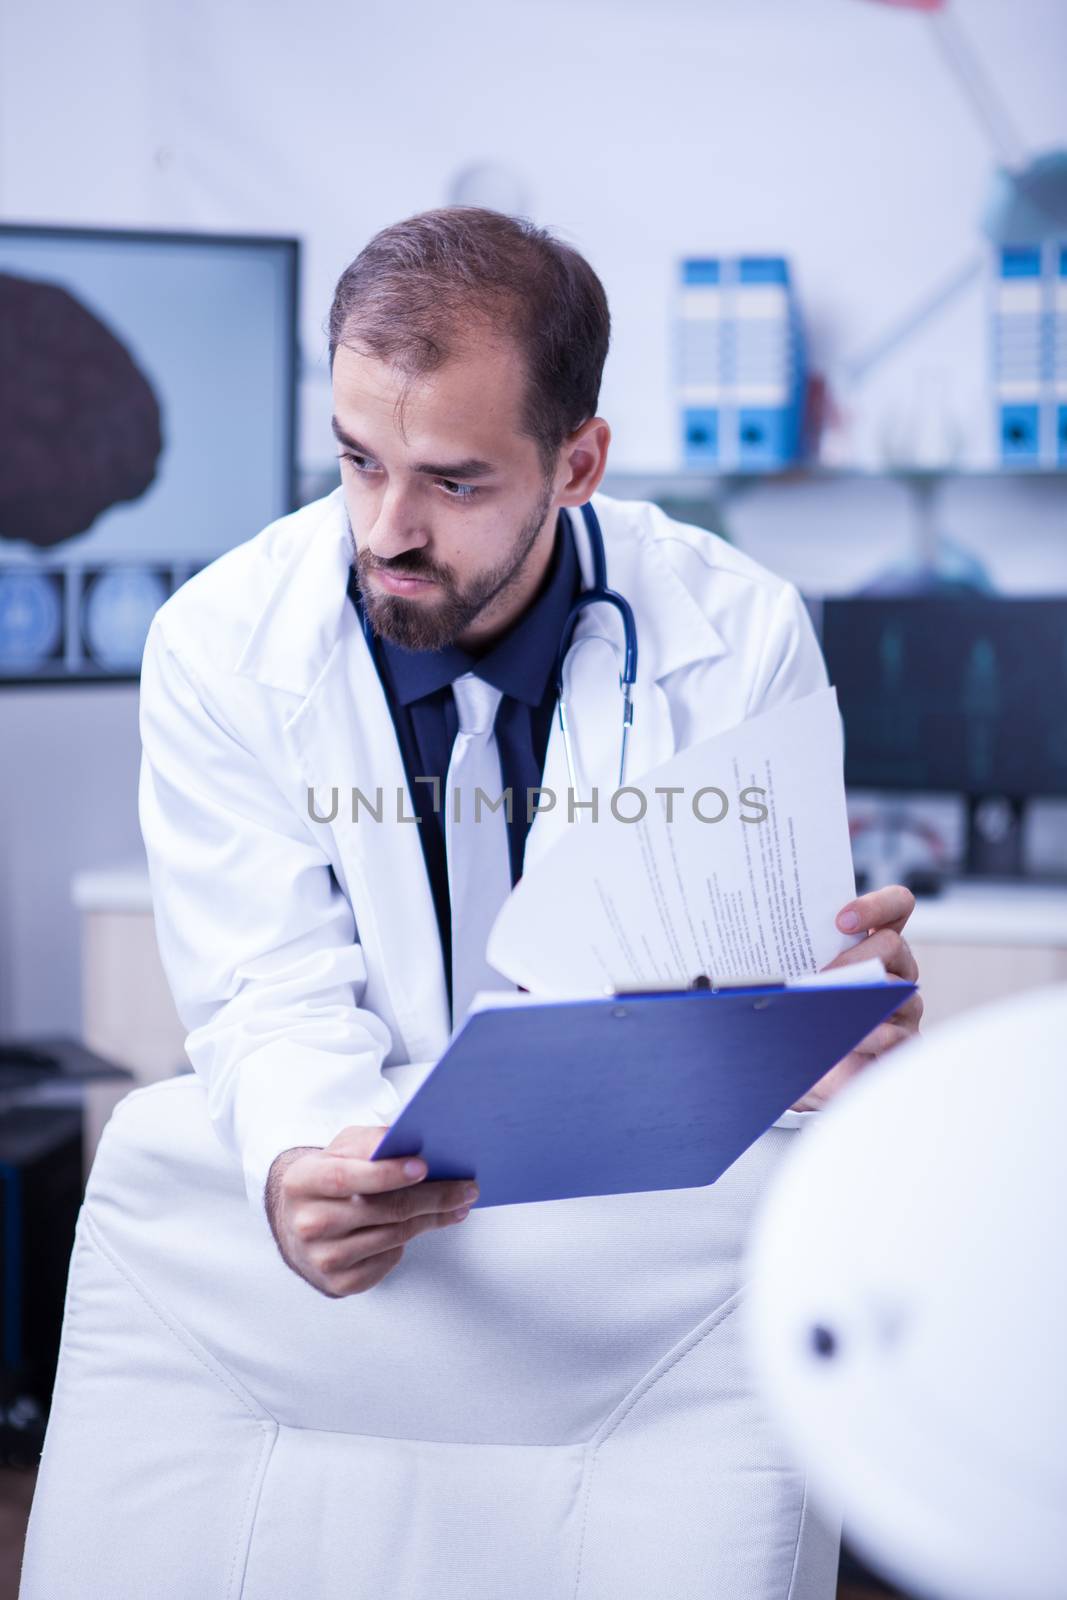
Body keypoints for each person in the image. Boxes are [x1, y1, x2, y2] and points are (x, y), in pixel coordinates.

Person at [22, 207, 922, 1599]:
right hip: (369, 1259)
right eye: (357, 461)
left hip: (635, 1287)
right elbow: (268, 994)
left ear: (579, 463)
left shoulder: (734, 630)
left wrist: (823, 1037)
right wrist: (304, 1161)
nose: (387, 529)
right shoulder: (219, 643)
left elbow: (733, 994)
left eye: (450, 480)